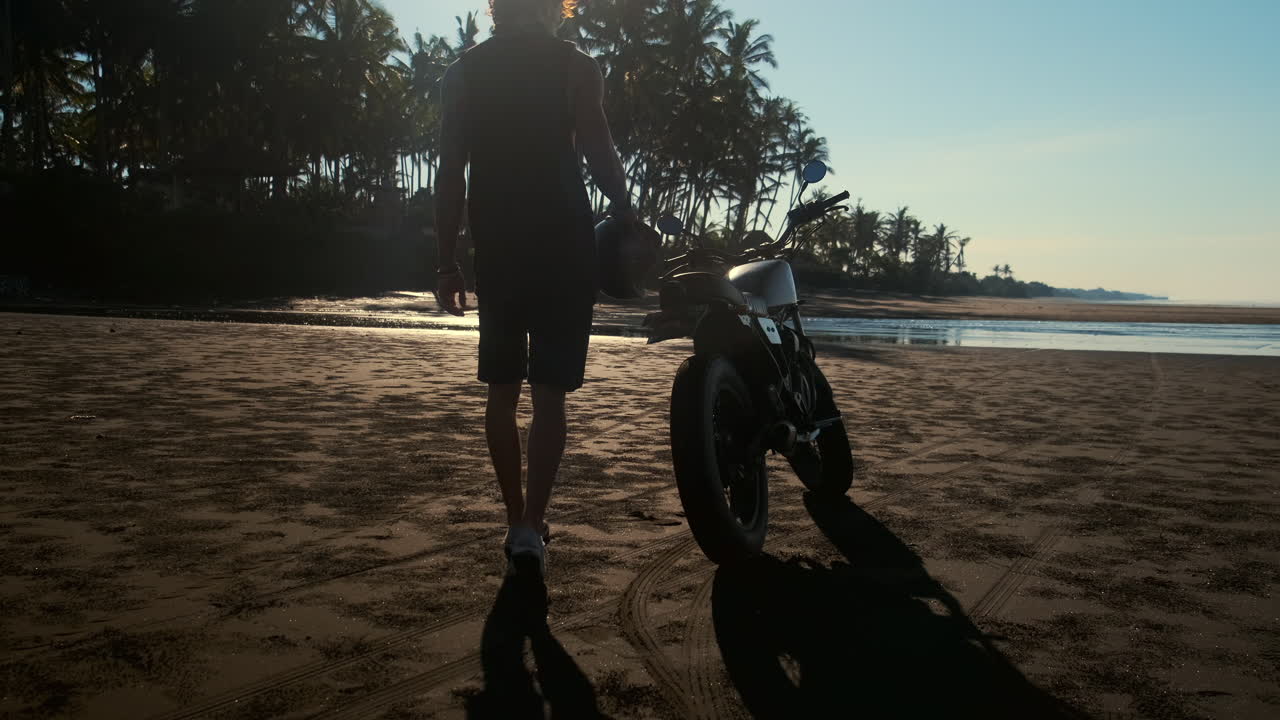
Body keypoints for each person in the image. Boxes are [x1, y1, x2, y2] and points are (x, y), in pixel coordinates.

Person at [433, 0, 638, 578]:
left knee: (501, 389)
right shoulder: (577, 67)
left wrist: (446, 263)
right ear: (555, 8)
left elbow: (451, 172)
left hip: (498, 245)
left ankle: (514, 518)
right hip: (564, 242)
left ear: (497, 7)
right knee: (550, 392)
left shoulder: (463, 72)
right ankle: (531, 526)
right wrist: (625, 214)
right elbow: (598, 152)